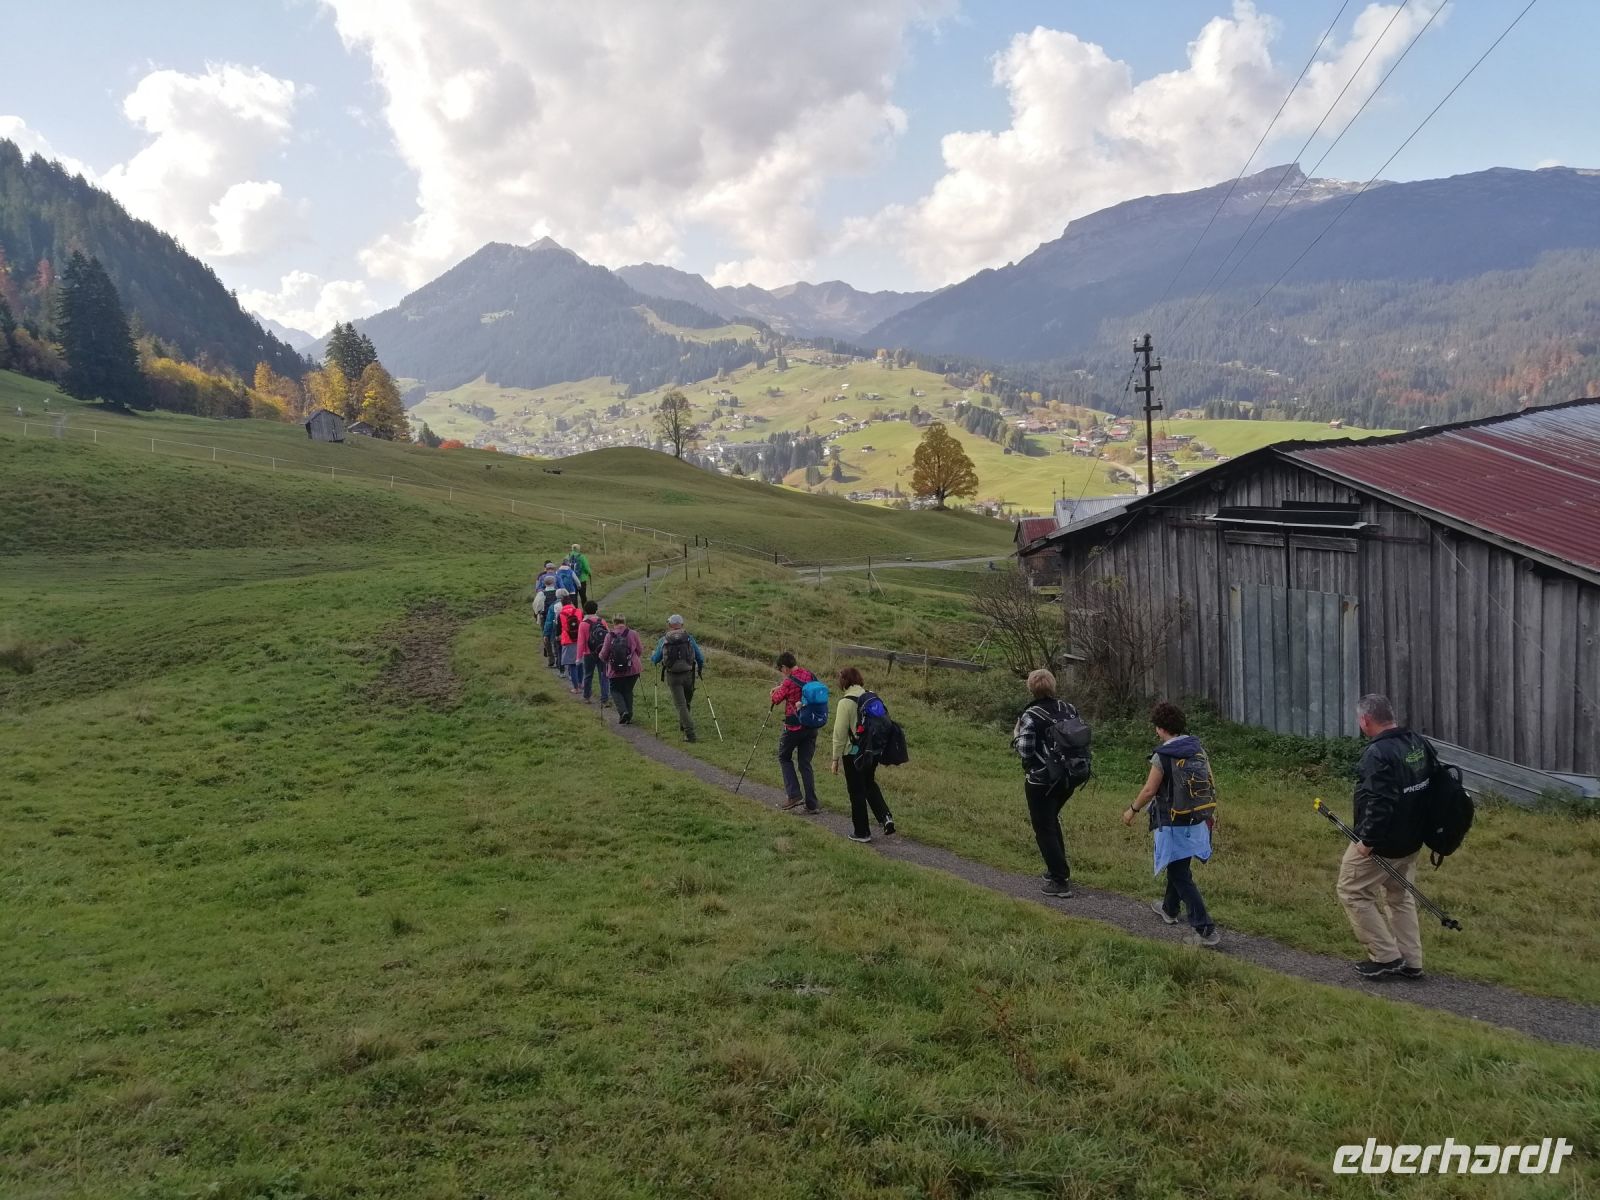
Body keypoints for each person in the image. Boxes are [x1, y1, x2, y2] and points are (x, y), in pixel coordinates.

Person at [1337, 693, 1430, 980]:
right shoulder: (1416, 743)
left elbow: (1380, 801)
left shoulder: (1377, 754)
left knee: (1352, 890)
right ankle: (1412, 961)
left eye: (1359, 720)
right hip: (1413, 838)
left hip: (1383, 843)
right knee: (1399, 895)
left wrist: (1367, 841)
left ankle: (1386, 956)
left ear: (1365, 721)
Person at [1122, 702, 1220, 947]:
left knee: (1179, 873)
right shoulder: (1198, 749)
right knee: (1179, 865)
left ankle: (1205, 929)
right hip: (1197, 819)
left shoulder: (1163, 756)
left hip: (1173, 821)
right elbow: (1210, 782)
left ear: (1159, 729)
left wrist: (1132, 811)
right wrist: (1211, 812)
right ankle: (1169, 908)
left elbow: (1149, 790)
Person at [1010, 669, 1077, 898]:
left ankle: (1059, 881)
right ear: (1053, 686)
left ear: (1031, 688)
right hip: (1070, 776)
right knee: (1051, 821)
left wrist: (1016, 734)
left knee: (1043, 827)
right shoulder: (1068, 709)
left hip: (1042, 779)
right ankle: (1057, 870)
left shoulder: (1031, 715)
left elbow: (1026, 750)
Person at [832, 666, 894, 843]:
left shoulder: (845, 702)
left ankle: (862, 832)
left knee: (856, 791)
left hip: (854, 753)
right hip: (873, 750)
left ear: (844, 681)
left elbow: (839, 733)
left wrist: (835, 759)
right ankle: (885, 817)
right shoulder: (871, 695)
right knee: (869, 783)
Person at [769, 651, 822, 814]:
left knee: (784, 757)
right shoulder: (810, 674)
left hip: (794, 727)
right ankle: (812, 804)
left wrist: (773, 692)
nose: (781, 672)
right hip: (812, 726)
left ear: (785, 667)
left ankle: (794, 795)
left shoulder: (788, 683)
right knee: (805, 764)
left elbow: (776, 699)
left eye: (781, 669)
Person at [650, 614, 705, 742]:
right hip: (688, 674)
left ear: (669, 625)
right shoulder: (689, 638)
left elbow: (656, 659)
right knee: (686, 702)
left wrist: (652, 656)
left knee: (681, 705)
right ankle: (685, 727)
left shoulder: (664, 639)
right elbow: (700, 657)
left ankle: (689, 733)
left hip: (673, 676)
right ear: (682, 624)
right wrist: (700, 669)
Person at [600, 615, 643, 725]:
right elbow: (639, 650)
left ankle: (623, 712)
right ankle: (629, 715)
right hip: (632, 669)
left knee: (615, 690)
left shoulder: (609, 635)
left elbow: (604, 653)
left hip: (615, 670)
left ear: (613, 623)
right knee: (628, 690)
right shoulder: (633, 633)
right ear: (624, 622)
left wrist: (603, 658)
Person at [578, 600, 610, 705]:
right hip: (602, 652)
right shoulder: (602, 621)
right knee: (604, 675)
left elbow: (581, 642)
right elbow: (608, 637)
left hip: (588, 653)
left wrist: (578, 657)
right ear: (596, 609)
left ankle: (587, 697)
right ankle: (605, 698)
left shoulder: (583, 624)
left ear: (585, 610)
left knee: (588, 675)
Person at [557, 591, 585, 693]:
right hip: (580, 639)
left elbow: (558, 629)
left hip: (568, 640)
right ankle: (581, 683)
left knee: (572, 665)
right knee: (580, 662)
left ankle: (575, 688)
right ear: (571, 602)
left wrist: (557, 637)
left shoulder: (561, 614)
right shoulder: (579, 611)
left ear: (562, 604)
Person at [542, 587, 567, 672]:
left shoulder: (553, 606)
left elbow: (549, 621)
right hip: (568, 630)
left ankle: (560, 665)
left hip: (556, 630)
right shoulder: (570, 605)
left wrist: (546, 634)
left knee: (557, 648)